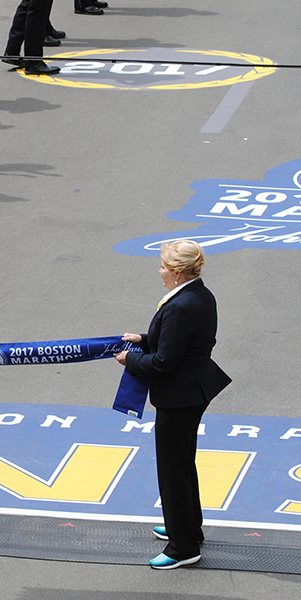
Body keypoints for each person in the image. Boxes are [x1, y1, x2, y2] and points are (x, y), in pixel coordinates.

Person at [115, 240, 231, 570]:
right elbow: (177, 340)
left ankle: (183, 546)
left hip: (179, 396)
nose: (160, 271)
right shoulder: (199, 294)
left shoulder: (180, 305)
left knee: (172, 470)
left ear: (178, 273)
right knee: (182, 463)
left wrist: (131, 361)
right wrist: (143, 340)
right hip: (192, 389)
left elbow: (165, 361)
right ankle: (187, 525)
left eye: (164, 266)